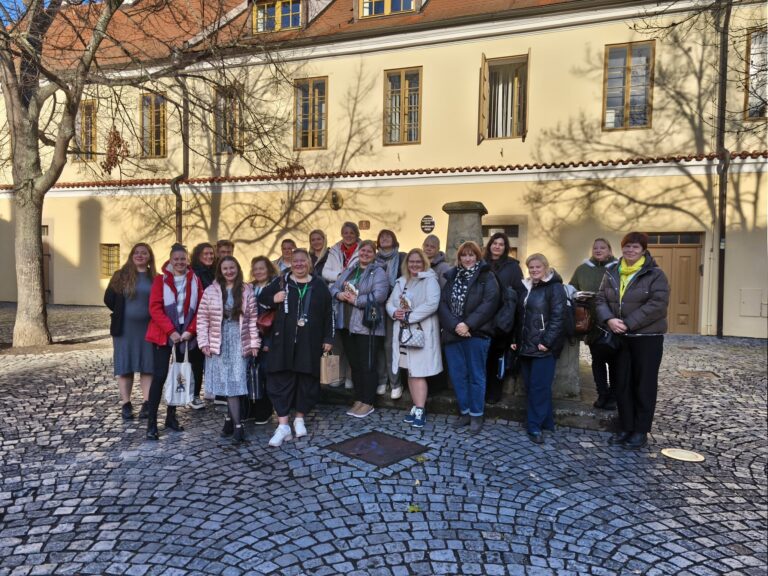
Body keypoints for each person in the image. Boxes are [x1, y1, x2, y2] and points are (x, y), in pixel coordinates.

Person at [596, 232, 669, 450]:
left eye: (635, 247)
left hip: (646, 338)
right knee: (622, 384)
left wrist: (628, 323)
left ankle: (640, 430)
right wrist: (609, 319)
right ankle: (625, 426)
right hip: (620, 338)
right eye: (627, 247)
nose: (630, 251)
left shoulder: (655, 274)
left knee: (643, 385)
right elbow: (600, 299)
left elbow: (658, 304)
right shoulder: (611, 272)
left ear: (643, 250)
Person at [258, 249, 334, 447]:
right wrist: (273, 299)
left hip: (310, 341)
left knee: (306, 380)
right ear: (290, 263)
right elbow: (262, 298)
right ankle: (283, 425)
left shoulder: (319, 285)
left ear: (309, 263)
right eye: (295, 261)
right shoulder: (281, 281)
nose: (299, 264)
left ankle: (299, 418)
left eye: (303, 261)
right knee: (279, 379)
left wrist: (328, 337)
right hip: (282, 342)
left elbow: (329, 313)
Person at [197, 256, 260, 444]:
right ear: (220, 270)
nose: (229, 271)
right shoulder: (211, 291)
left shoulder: (247, 290)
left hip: (239, 340)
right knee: (225, 381)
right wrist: (204, 342)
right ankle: (231, 422)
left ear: (237, 268)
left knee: (236, 382)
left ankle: (236, 426)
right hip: (218, 340)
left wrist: (254, 343)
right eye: (225, 268)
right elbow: (202, 319)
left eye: (232, 267)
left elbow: (253, 320)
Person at [438, 241, 499, 434]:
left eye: (471, 255)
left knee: (476, 376)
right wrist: (455, 325)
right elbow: (442, 304)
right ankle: (464, 412)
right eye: (464, 255)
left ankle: (476, 414)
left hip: (476, 334)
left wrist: (468, 324)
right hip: (453, 333)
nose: (467, 258)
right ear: (459, 257)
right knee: (458, 376)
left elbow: (490, 303)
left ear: (477, 256)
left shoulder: (486, 277)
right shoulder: (452, 276)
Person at [144, 243, 204, 440]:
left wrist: (190, 331)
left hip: (184, 336)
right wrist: (170, 331)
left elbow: (200, 308)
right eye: (176, 259)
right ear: (170, 260)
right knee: (160, 376)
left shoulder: (195, 280)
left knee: (179, 376)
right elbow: (155, 308)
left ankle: (171, 416)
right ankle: (151, 422)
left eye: (183, 258)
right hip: (164, 335)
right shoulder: (160, 281)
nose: (179, 262)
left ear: (187, 260)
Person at [511, 253, 567, 445]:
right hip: (526, 345)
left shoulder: (555, 288)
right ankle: (547, 421)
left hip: (543, 346)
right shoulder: (527, 287)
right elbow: (520, 317)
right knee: (532, 386)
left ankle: (534, 426)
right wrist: (516, 340)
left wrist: (548, 342)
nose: (534, 270)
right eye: (531, 267)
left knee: (539, 387)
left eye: (538, 267)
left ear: (545, 267)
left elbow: (559, 318)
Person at [331, 240, 388, 418]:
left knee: (368, 365)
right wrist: (339, 294)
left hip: (366, 327)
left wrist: (355, 300)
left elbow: (379, 295)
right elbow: (333, 287)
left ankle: (368, 401)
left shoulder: (378, 271)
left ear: (374, 254)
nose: (365, 253)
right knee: (355, 365)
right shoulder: (350, 269)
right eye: (362, 250)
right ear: (358, 251)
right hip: (347, 325)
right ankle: (359, 398)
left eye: (369, 251)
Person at [387, 248, 442, 428]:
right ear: (407, 264)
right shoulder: (401, 282)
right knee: (410, 371)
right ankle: (416, 406)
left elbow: (432, 304)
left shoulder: (429, 280)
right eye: (411, 262)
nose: (415, 265)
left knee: (418, 372)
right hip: (403, 333)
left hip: (420, 332)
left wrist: (410, 316)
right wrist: (395, 312)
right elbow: (390, 303)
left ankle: (420, 409)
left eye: (418, 261)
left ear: (424, 262)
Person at [104, 243, 157, 421]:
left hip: (149, 329)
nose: (140, 255)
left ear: (150, 257)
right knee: (125, 366)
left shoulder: (156, 278)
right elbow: (108, 299)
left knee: (147, 366)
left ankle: (147, 403)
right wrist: (122, 312)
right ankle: (126, 404)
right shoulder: (121, 275)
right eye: (137, 252)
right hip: (124, 329)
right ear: (132, 255)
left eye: (144, 253)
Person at [570, 238, 619, 409]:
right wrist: (578, 296)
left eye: (603, 247)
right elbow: (572, 289)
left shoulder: (617, 267)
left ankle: (613, 396)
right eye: (595, 247)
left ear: (609, 250)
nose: (598, 250)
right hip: (592, 323)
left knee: (614, 363)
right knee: (597, 361)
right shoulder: (583, 269)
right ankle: (602, 394)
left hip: (614, 323)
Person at [483, 232, 524, 404]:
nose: (497, 246)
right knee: (481, 357)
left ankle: (494, 392)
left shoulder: (513, 266)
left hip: (502, 318)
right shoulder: (481, 263)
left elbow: (520, 292)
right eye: (494, 243)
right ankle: (480, 390)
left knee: (497, 356)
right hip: (482, 317)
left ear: (506, 247)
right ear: (490, 245)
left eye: (501, 244)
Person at [322, 222, 361, 390]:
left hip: (354, 298)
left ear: (357, 234)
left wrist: (343, 280)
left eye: (352, 232)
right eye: (345, 232)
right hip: (336, 298)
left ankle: (350, 377)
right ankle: (337, 376)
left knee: (351, 341)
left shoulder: (362, 249)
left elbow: (361, 274)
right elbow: (325, 272)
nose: (348, 235)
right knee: (336, 340)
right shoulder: (335, 250)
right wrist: (341, 276)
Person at [374, 229, 405, 400]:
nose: (385, 238)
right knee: (378, 344)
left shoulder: (401, 258)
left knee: (390, 345)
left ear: (394, 240)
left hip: (393, 307)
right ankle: (381, 381)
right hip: (376, 307)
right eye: (382, 236)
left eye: (388, 236)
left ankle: (395, 383)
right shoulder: (373, 259)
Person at [249, 256, 278, 425]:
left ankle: (265, 410)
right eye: (255, 268)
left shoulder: (275, 287)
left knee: (266, 374)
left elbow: (276, 316)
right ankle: (253, 408)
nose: (258, 271)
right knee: (253, 373)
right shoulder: (249, 287)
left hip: (268, 336)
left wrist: (268, 343)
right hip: (252, 337)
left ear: (268, 269)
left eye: (261, 268)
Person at [422, 234, 451, 395]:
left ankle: (437, 386)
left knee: (436, 350)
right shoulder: (420, 264)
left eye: (432, 246)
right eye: (426, 245)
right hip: (421, 315)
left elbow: (444, 293)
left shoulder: (444, 267)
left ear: (438, 249)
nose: (428, 248)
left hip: (437, 315)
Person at [188, 242, 216, 408]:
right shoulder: (193, 274)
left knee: (211, 358)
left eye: (211, 254)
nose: (209, 256)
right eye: (205, 254)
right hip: (197, 321)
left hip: (213, 321)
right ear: (198, 255)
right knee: (196, 361)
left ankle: (214, 391)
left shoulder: (213, 272)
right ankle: (194, 394)